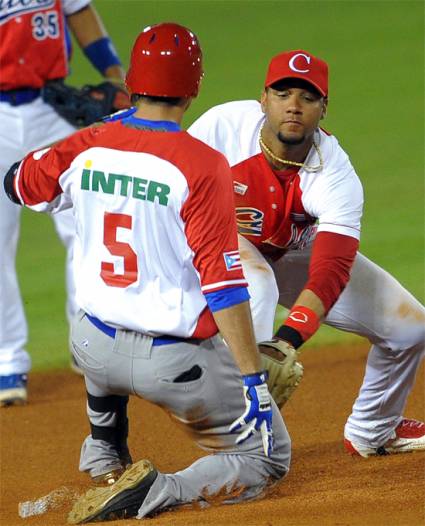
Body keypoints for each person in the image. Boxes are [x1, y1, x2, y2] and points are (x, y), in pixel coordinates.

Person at [4, 23, 290, 523]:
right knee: (269, 457)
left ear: (134, 80)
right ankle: (160, 490)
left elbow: (18, 184)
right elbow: (223, 285)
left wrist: (94, 129)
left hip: (91, 349)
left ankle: (103, 450)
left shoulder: (88, 143)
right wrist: (253, 379)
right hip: (173, 369)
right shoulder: (203, 166)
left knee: (99, 317)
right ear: (194, 85)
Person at [188, 49, 425, 457]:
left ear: (323, 109)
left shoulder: (334, 172)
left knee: (410, 330)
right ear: (263, 99)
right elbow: (170, 176)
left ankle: (374, 429)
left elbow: (332, 267)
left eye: (307, 97)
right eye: (283, 94)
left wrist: (288, 338)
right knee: (256, 286)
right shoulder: (221, 127)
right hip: (218, 247)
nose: (293, 107)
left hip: (290, 252)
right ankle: (236, 443)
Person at [0, 0, 127, 406]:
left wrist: (114, 75)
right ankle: (7, 360)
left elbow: (80, 13)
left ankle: (87, 337)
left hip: (51, 106)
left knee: (86, 222)